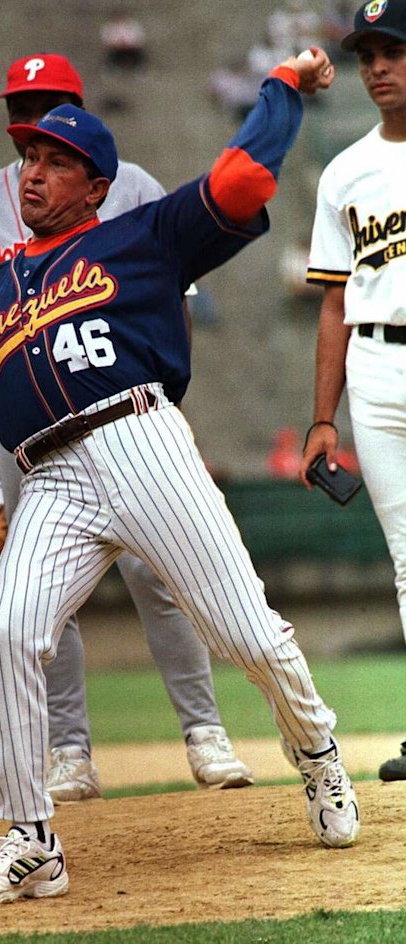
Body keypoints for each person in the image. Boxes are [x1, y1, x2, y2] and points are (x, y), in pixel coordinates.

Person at [0, 47, 361, 909]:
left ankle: (319, 755)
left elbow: (247, 179)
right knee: (7, 634)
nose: (32, 174)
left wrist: (282, 87)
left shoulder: (140, 237)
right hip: (49, 478)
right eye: (28, 157)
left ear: (97, 183)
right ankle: (33, 840)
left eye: (56, 161)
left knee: (247, 635)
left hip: (143, 444)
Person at [0, 53, 253, 802]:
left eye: (51, 99)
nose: (35, 114)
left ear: (81, 105)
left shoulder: (133, 186)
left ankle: (204, 732)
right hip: (32, 437)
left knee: (162, 575)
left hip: (127, 418)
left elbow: (175, 294)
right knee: (38, 595)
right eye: (23, 104)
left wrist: (169, 389)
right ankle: (71, 752)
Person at [300, 0, 406, 784]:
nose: (377, 67)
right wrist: (321, 419)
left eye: (393, 50)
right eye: (368, 54)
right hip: (373, 369)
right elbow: (335, 303)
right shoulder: (345, 170)